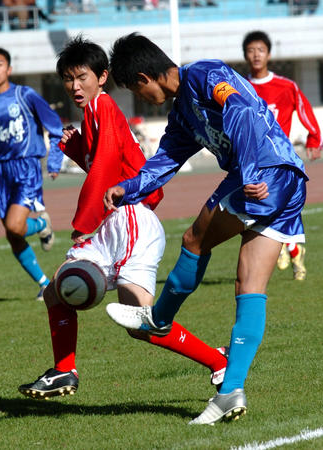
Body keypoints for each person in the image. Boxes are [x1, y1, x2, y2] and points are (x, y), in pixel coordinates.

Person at [103, 32, 308, 425]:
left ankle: (158, 319)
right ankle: (230, 391)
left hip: (266, 172)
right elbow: (163, 162)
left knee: (194, 239)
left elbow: (241, 110)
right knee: (248, 287)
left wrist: (248, 170)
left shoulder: (204, 74)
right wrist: (128, 188)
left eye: (134, 89)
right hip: (286, 180)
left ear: (145, 77)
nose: (139, 98)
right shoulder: (182, 115)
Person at [18, 36, 228, 400]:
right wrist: (78, 148)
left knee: (141, 318)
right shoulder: (96, 112)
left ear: (102, 76)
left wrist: (84, 223)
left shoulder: (103, 105)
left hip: (126, 221)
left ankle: (219, 362)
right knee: (60, 293)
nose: (74, 86)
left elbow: (105, 169)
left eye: (81, 76)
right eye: (67, 79)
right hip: (123, 219)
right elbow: (112, 165)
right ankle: (64, 371)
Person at [0, 47, 63, 301]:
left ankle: (42, 224)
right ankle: (45, 284)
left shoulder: (25, 95)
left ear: (9, 69)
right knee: (12, 234)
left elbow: (54, 126)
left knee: (15, 225)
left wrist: (54, 161)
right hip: (0, 171)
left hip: (26, 167)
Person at [243, 30, 322, 281]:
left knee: (276, 206)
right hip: (251, 161)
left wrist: (314, 137)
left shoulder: (286, 86)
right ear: (245, 55)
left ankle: (286, 250)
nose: (256, 55)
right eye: (251, 51)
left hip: (281, 160)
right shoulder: (240, 87)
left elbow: (305, 109)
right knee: (262, 208)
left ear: (268, 54)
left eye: (260, 50)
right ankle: (293, 248)